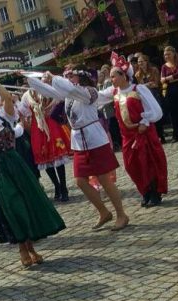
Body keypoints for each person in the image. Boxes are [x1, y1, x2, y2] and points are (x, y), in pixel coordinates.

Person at [0, 69, 66, 267]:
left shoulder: (5, 117)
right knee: (12, 206)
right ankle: (22, 247)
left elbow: (7, 98)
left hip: (16, 164)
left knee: (27, 202)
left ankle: (31, 246)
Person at [25, 65, 130, 231]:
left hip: (95, 140)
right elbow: (49, 91)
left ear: (81, 77)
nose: (68, 79)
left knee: (104, 179)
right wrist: (29, 79)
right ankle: (104, 212)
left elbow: (66, 87)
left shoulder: (89, 92)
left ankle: (121, 214)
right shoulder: (69, 94)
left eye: (71, 76)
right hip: (79, 141)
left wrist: (54, 77)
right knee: (80, 181)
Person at [101, 67, 168, 207]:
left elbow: (155, 109)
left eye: (114, 76)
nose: (111, 79)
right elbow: (94, 97)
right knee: (132, 165)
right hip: (127, 136)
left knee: (149, 162)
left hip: (144, 133)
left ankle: (154, 193)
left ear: (124, 76)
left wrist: (145, 121)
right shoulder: (114, 92)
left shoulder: (138, 89)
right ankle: (145, 190)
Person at [21, 77, 72, 202]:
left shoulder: (46, 90)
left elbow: (59, 98)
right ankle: (57, 186)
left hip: (51, 124)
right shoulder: (26, 95)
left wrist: (50, 107)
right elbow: (24, 111)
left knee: (57, 157)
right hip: (38, 128)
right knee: (45, 158)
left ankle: (64, 186)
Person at [135, 54, 167, 143]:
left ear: (146, 61)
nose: (140, 63)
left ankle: (161, 135)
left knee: (157, 113)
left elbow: (155, 84)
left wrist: (144, 86)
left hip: (155, 94)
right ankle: (155, 136)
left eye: (142, 61)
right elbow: (140, 87)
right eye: (139, 62)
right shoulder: (138, 74)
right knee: (150, 115)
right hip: (146, 97)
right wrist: (147, 85)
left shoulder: (154, 70)